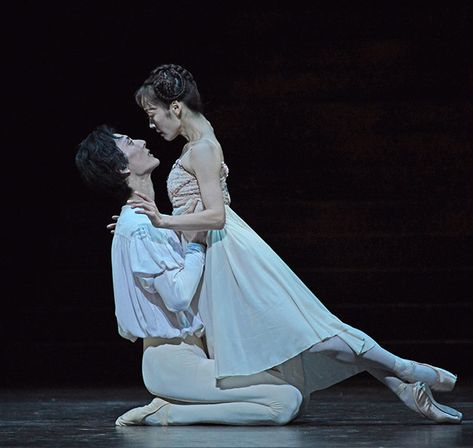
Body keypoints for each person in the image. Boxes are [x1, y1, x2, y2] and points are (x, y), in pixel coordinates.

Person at [117, 63, 462, 424]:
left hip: (232, 254)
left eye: (151, 112)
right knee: (298, 334)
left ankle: (404, 368)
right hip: (218, 255)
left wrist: (163, 220)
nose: (151, 123)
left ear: (175, 107)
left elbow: (216, 215)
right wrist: (148, 227)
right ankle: (399, 381)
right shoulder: (199, 142)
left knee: (307, 331)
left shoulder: (201, 148)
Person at [75, 125, 303, 426]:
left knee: (293, 384)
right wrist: (195, 244)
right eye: (130, 142)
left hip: (190, 355)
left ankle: (170, 407)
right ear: (120, 168)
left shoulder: (147, 222)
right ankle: (169, 413)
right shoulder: (140, 226)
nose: (142, 141)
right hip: (172, 363)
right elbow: (178, 295)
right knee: (285, 402)